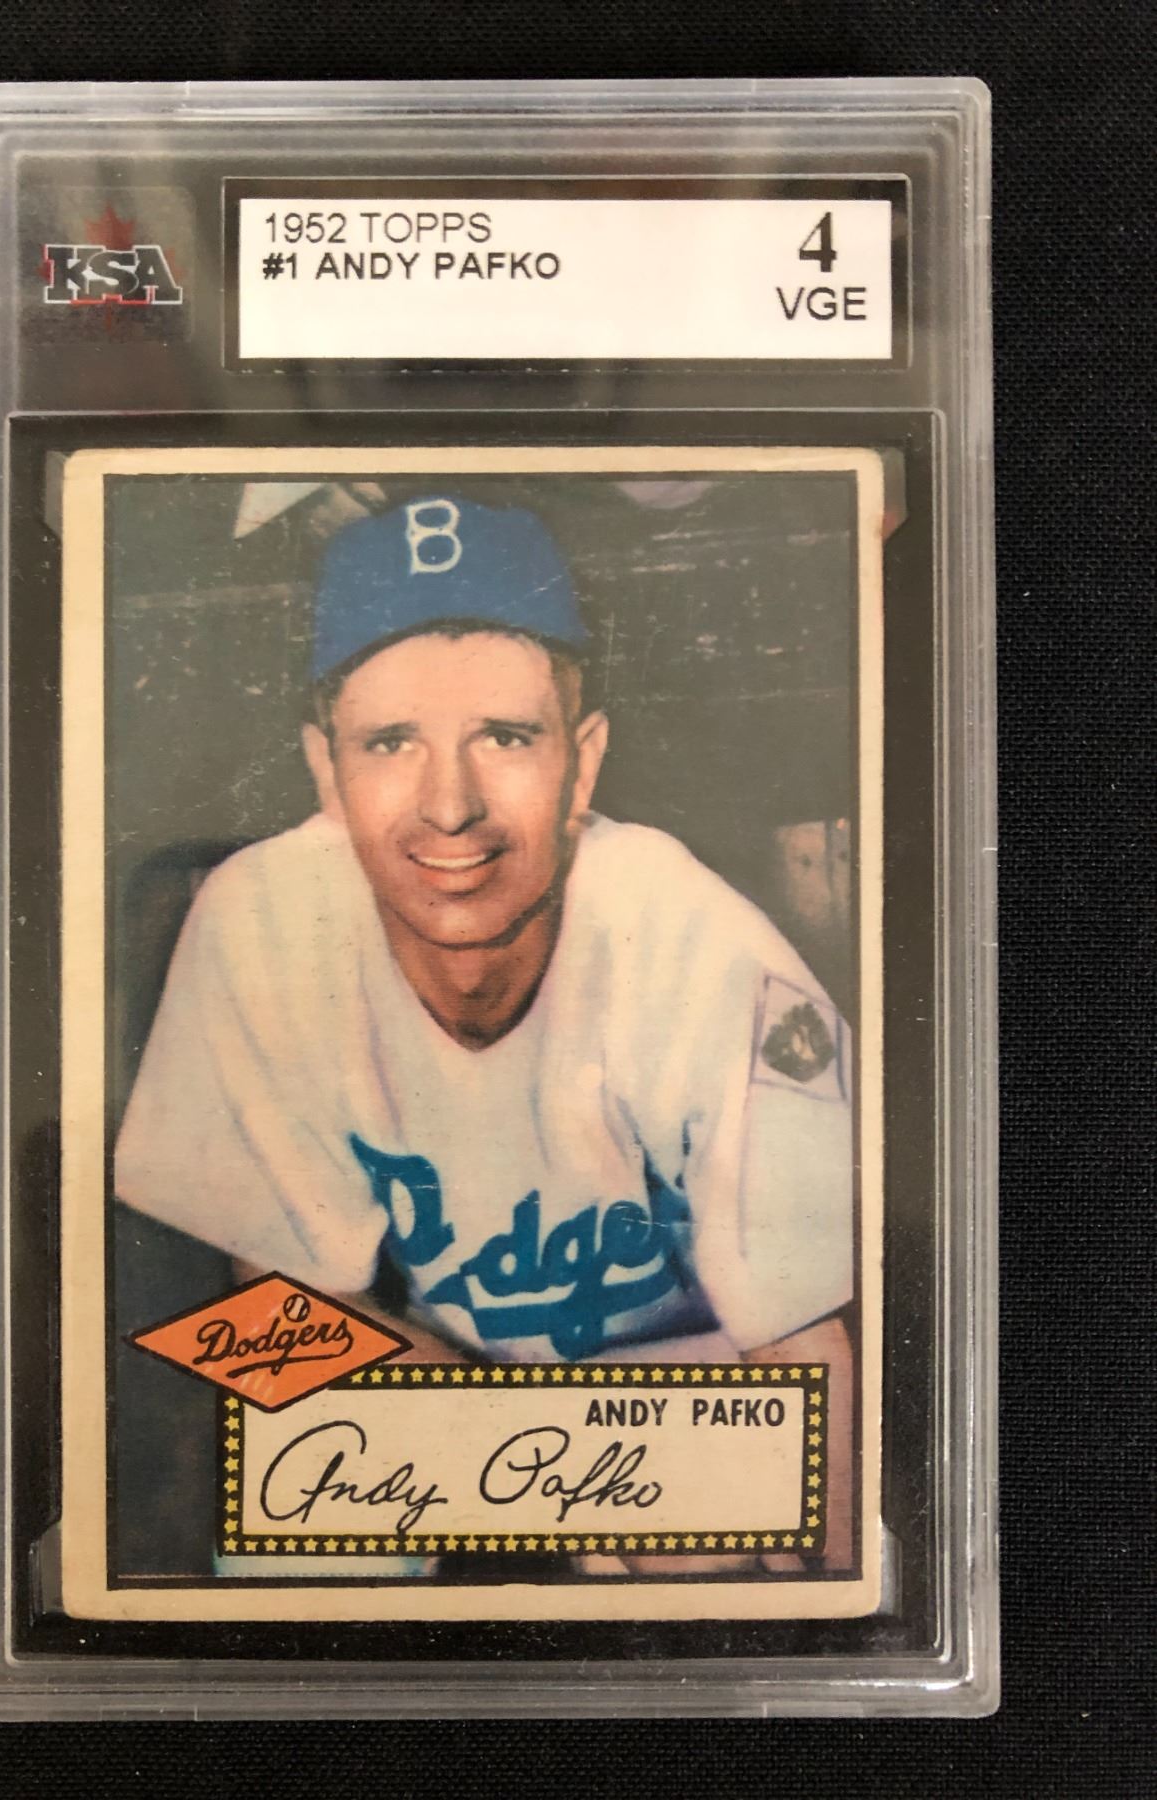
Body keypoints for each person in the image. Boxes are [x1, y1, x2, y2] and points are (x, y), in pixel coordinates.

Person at [115, 494, 856, 1571]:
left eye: (505, 738)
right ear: (326, 770)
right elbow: (276, 1311)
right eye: (391, 742)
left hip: (697, 1396)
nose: (450, 806)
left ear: (582, 764)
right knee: (295, 1529)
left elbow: (811, 1346)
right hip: (445, 1390)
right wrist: (559, 1480)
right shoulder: (261, 923)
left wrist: (798, 1574)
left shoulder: (692, 938)